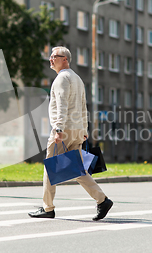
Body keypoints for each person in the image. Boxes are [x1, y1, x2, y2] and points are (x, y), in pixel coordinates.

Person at [28, 46, 113, 221]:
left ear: (65, 59)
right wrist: (84, 130)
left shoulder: (61, 79)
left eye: (54, 56)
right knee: (76, 169)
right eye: (50, 57)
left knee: (50, 167)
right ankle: (102, 200)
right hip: (77, 130)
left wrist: (58, 129)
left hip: (64, 130)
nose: (51, 59)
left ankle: (48, 208)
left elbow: (62, 106)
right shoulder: (77, 78)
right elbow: (83, 106)